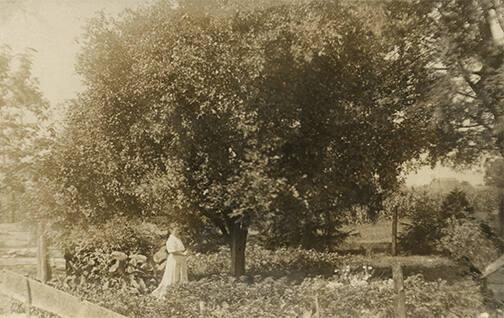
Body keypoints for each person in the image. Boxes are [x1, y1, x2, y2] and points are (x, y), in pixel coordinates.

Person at [151, 224, 188, 299]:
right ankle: (167, 293)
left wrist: (185, 253)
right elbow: (172, 251)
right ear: (171, 230)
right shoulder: (171, 240)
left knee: (180, 275)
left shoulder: (178, 239)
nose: (178, 232)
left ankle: (179, 292)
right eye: (176, 230)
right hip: (174, 259)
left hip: (180, 259)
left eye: (178, 230)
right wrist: (183, 253)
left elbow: (181, 249)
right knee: (172, 275)